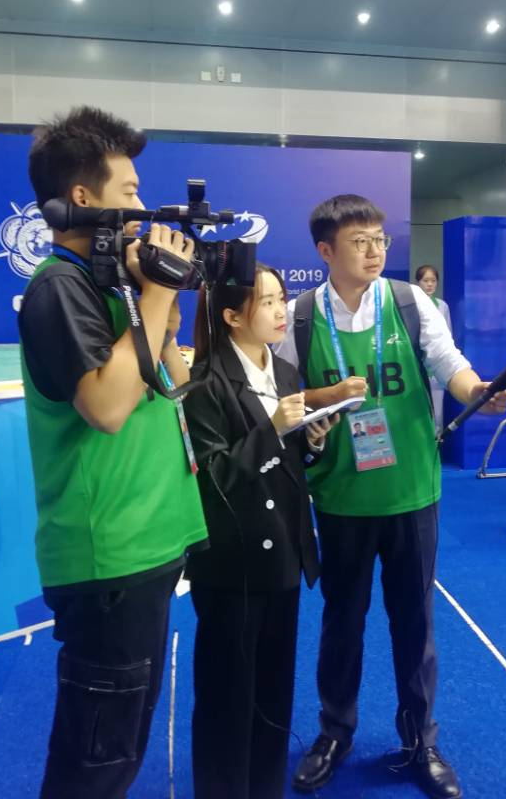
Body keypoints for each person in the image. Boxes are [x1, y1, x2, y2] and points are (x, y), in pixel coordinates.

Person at [277, 194, 506, 799]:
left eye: (379, 239)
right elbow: (284, 398)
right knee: (341, 622)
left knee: (415, 623)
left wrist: (475, 390)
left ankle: (420, 738)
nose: (374, 251)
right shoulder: (301, 317)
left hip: (411, 493)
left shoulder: (409, 302)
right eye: (359, 242)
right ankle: (335, 732)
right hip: (340, 498)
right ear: (325, 250)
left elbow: (448, 362)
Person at [18, 106, 209, 799]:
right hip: (108, 559)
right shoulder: (57, 286)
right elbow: (105, 407)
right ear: (82, 196)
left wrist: (161, 306)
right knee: (95, 761)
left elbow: (173, 385)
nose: (141, 206)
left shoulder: (110, 286)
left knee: (121, 744)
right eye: (129, 191)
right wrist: (155, 292)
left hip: (146, 547)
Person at [182, 264, 337, 799]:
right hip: (232, 564)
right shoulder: (205, 384)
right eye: (266, 301)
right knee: (226, 697)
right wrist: (272, 430)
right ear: (232, 316)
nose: (279, 310)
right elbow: (213, 480)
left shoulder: (286, 374)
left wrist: (312, 441)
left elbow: (292, 467)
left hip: (284, 555)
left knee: (274, 694)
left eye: (281, 298)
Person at [415, 265, 452, 430]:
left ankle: (437, 439)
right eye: (425, 281)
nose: (430, 284)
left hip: (437, 367)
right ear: (418, 282)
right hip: (417, 365)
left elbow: (448, 335)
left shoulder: (442, 306)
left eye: (433, 281)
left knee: (437, 412)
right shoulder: (411, 304)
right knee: (419, 410)